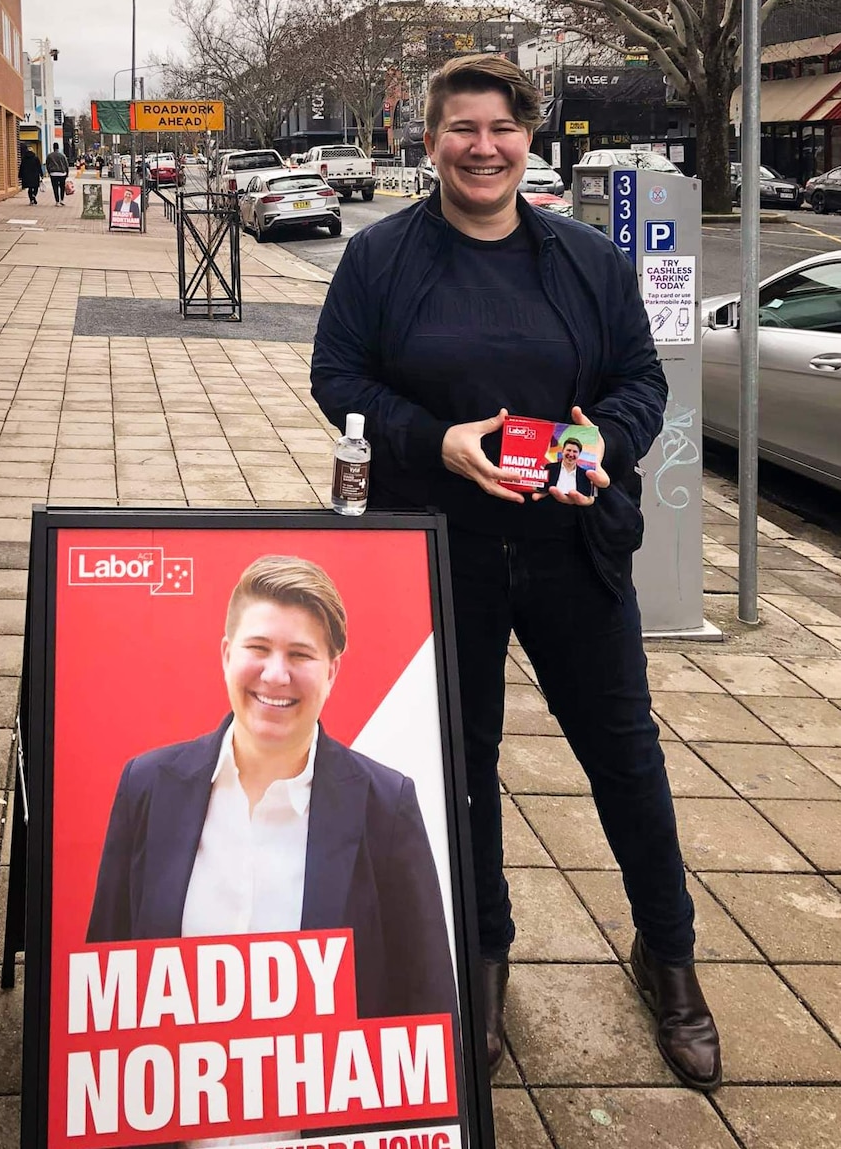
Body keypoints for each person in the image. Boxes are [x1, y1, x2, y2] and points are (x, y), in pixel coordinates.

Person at [310, 53, 721, 1092]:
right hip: (437, 546)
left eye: (499, 128)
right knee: (461, 764)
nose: (480, 147)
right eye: (460, 129)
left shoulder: (583, 259)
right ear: (430, 140)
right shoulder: (384, 259)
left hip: (571, 543)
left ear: (527, 136)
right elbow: (338, 376)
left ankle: (667, 954)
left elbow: (640, 380)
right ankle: (482, 952)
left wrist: (602, 447)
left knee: (624, 755)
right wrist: (433, 439)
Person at [87, 554, 456, 1025]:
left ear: (332, 672)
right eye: (258, 648)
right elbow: (106, 980)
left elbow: (428, 1006)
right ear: (226, 655)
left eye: (300, 654)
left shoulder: (385, 806)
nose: (276, 675)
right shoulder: (147, 784)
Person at [45, 142, 69, 206]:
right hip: (62, 173)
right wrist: (67, 173)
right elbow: (66, 165)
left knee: (55, 187)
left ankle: (57, 201)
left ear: (53, 148)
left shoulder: (49, 156)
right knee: (62, 187)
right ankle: (62, 200)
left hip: (53, 173)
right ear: (58, 148)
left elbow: (47, 164)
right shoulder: (62, 155)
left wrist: (49, 171)